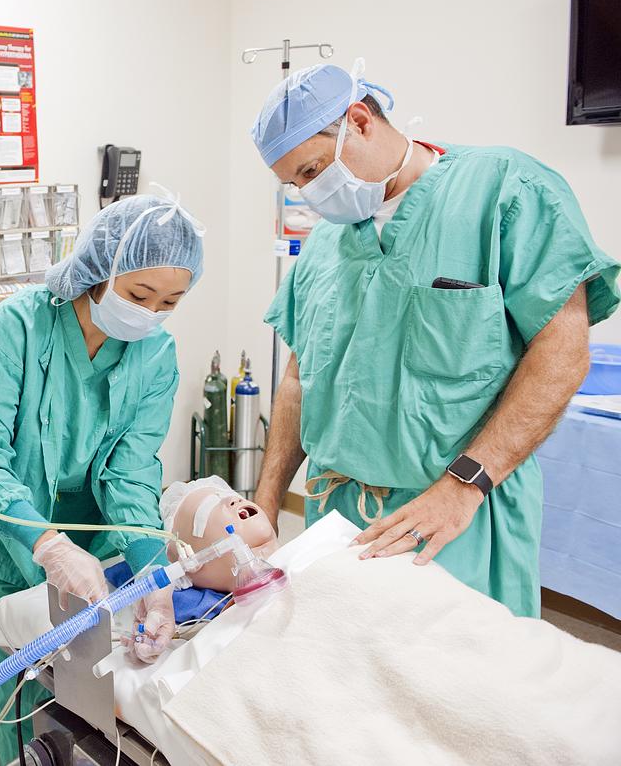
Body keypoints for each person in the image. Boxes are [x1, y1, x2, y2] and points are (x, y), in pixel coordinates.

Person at [248, 59, 620, 617]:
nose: (309, 192)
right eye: (295, 183)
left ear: (359, 121)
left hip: (454, 519)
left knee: (460, 669)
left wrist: (462, 488)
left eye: (313, 170)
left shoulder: (504, 191)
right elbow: (301, 380)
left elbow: (562, 353)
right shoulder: (327, 244)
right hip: (338, 520)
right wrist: (266, 503)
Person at [0, 192, 204, 764]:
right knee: (24, 675)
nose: (150, 313)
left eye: (169, 302)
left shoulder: (155, 353)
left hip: (97, 535)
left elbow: (132, 472)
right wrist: (47, 544)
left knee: (92, 685)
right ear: (100, 270)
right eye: (139, 294)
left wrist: (151, 574)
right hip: (8, 532)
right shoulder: (17, 327)